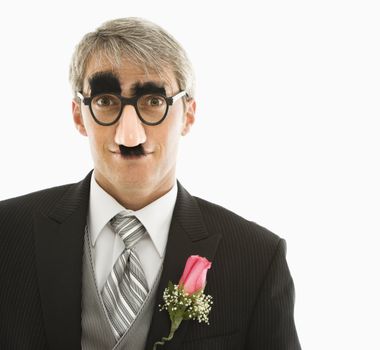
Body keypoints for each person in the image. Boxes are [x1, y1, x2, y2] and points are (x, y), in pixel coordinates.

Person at [0, 17, 301, 350]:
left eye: (154, 102)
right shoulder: (6, 232)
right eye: (105, 101)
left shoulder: (257, 258)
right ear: (77, 115)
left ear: (188, 113)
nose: (130, 134)